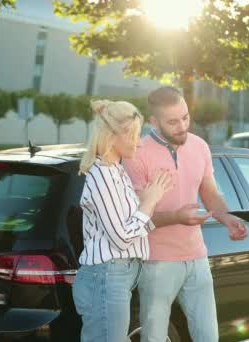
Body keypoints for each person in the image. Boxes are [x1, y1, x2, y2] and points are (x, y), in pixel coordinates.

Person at [123, 86, 248, 342]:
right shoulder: (136, 155)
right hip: (156, 262)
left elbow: (210, 193)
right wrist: (176, 217)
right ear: (154, 122)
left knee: (208, 336)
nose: (182, 126)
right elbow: (135, 218)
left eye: (185, 117)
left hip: (198, 258)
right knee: (155, 338)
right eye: (173, 121)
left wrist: (228, 218)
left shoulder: (200, 146)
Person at [72, 99, 173, 342]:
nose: (139, 143)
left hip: (117, 276)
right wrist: (148, 203)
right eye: (135, 136)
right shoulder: (102, 176)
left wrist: (151, 202)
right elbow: (122, 237)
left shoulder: (117, 171)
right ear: (113, 135)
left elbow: (131, 225)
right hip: (107, 276)